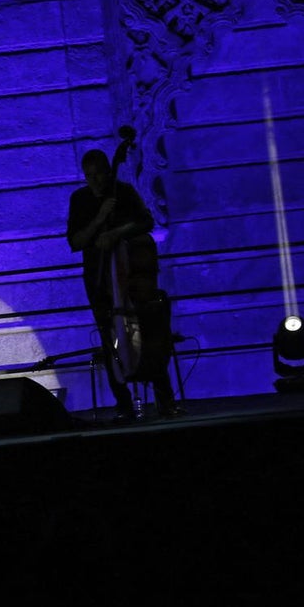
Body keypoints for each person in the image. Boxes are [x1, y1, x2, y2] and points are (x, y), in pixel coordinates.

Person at [67, 149, 184, 420]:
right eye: (89, 176)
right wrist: (99, 219)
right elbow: (75, 242)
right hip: (99, 280)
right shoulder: (80, 199)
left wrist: (117, 232)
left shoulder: (124, 192)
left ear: (109, 171)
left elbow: (146, 221)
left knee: (152, 334)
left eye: (98, 175)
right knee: (110, 342)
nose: (94, 181)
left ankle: (164, 400)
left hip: (132, 282)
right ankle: (124, 405)